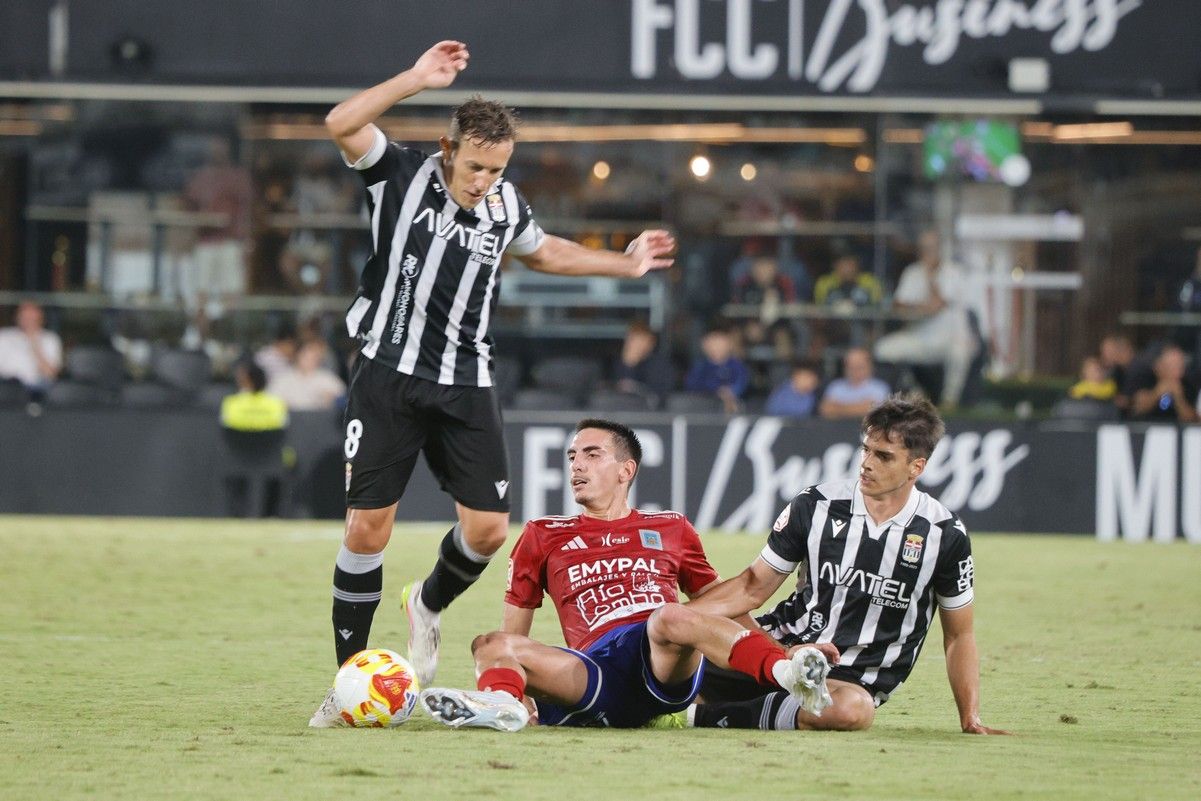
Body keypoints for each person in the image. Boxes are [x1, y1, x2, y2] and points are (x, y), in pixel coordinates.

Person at [309, 41, 676, 726]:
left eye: (496, 168)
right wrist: (416, 79)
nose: (483, 180)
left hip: (464, 381)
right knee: (366, 528)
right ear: (449, 148)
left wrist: (621, 266)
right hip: (387, 372)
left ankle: (426, 603)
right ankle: (347, 678)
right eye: (475, 165)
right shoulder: (399, 174)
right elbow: (339, 121)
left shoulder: (505, 206)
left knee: (485, 531)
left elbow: (547, 250)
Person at [418, 419, 837, 731]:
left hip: (662, 662)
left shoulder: (672, 528)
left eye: (591, 454)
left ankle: (788, 674)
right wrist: (526, 693)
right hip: (595, 672)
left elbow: (725, 607)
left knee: (669, 616)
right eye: (571, 456)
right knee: (489, 644)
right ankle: (503, 707)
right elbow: (515, 635)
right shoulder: (542, 535)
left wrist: (782, 651)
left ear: (626, 470)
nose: (576, 465)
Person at [679, 395, 1009, 734]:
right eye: (866, 450)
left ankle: (698, 716)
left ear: (917, 466)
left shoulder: (944, 534)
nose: (867, 463)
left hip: (847, 681)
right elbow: (751, 587)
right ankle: (705, 695)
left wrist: (970, 718)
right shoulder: (816, 504)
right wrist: (672, 618)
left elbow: (959, 635)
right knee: (676, 655)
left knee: (853, 711)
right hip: (780, 651)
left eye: (883, 456)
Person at [874, 230, 977, 408]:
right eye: (924, 248)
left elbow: (936, 305)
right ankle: (915, 392)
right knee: (883, 349)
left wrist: (930, 277)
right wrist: (919, 306)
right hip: (920, 337)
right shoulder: (912, 272)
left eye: (931, 248)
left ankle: (949, 401)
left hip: (951, 338)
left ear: (940, 249)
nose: (927, 252)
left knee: (960, 352)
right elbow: (899, 304)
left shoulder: (954, 272)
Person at [0, 301, 62, 396]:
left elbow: (50, 374)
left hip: (37, 387)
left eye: (32, 318)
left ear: (41, 319)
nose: (28, 321)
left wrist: (35, 345)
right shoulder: (4, 335)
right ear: (17, 318)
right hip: (6, 385)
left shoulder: (50, 338)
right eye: (24, 317)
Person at [684, 325, 749, 413]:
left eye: (720, 343)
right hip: (703, 409)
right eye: (712, 342)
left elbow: (742, 382)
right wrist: (716, 389)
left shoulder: (737, 366)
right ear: (704, 345)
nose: (716, 347)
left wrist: (730, 392)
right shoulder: (700, 366)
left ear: (729, 344)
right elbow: (692, 384)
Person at [267, 339, 346, 412]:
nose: (309, 361)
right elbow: (270, 400)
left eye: (314, 358)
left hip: (320, 421)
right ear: (297, 356)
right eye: (306, 357)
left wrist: (332, 399)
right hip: (290, 421)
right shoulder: (282, 378)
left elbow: (343, 399)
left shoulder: (328, 378)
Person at [1129, 344, 1199, 423]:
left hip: (1176, 431)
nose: (1179, 372)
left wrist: (1179, 398)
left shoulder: (1189, 384)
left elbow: (1192, 419)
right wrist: (1157, 393)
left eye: (1180, 366)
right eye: (1173, 366)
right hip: (1148, 429)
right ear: (1159, 366)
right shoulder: (1146, 379)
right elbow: (1137, 409)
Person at [818, 347, 890, 420]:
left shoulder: (879, 387)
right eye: (851, 367)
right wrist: (859, 407)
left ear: (870, 367)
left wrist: (838, 408)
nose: (855, 371)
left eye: (859, 366)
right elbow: (825, 410)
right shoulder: (836, 386)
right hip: (837, 429)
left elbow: (872, 411)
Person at [613, 320, 672, 406]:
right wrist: (629, 363)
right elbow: (619, 391)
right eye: (632, 339)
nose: (635, 344)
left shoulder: (660, 365)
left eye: (639, 339)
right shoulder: (619, 363)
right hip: (622, 411)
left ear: (650, 342)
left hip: (650, 414)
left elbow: (657, 396)